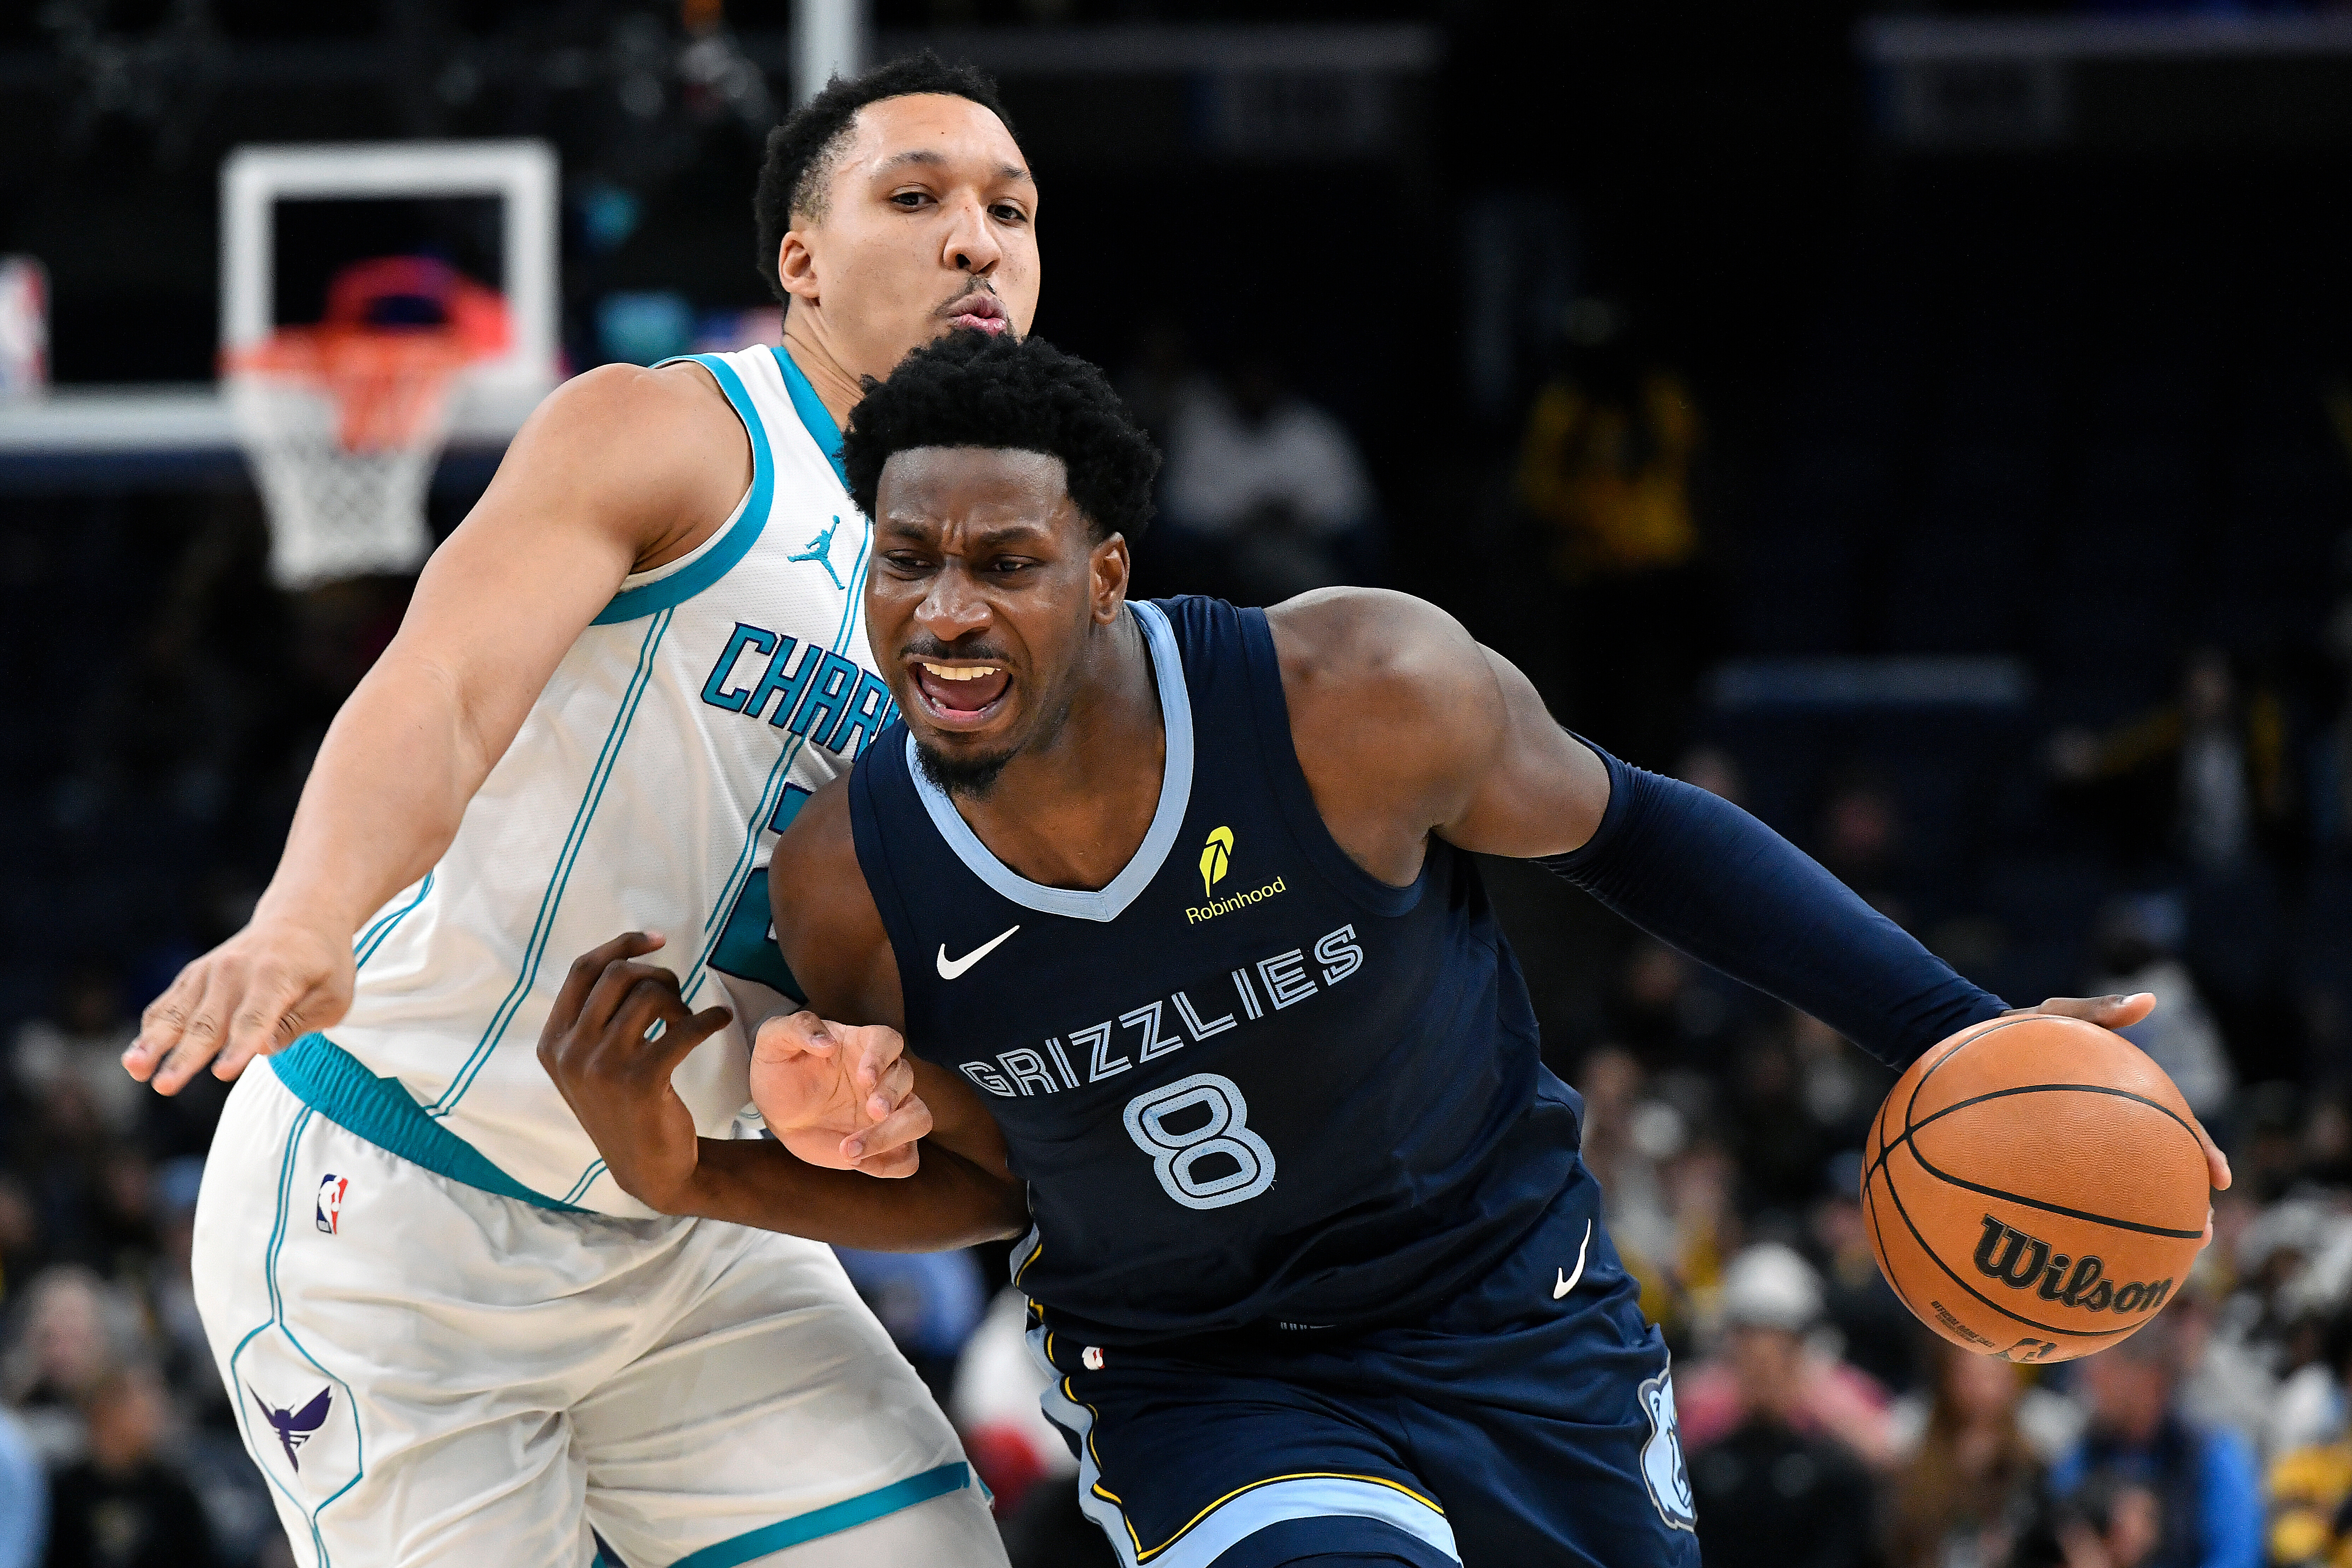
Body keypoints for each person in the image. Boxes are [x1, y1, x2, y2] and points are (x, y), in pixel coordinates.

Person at [540, 331, 2231, 1567]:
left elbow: (1638, 827)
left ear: (1108, 572)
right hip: (1201, 1370)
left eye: (1005, 560)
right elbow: (993, 1182)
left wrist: (1952, 1027)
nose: (945, 608)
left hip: (1505, 1304)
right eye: (905, 560)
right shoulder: (854, 876)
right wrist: (698, 1171)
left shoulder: (1353, 698)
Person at [117, 53, 1040, 1566]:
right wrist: (303, 916)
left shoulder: (1007, 591)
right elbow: (446, 689)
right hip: (400, 1211)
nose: (975, 241)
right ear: (801, 261)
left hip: (695, 1227)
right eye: (917, 196)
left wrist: (883, 1080)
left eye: (1011, 210)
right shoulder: (675, 436)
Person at [2050, 1316, 2261, 1568]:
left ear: (2151, 1379)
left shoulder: (2214, 1456)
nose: (2090, 1379)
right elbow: (2052, 1526)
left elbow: (2236, 1556)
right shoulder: (2082, 1455)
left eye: (2107, 1366)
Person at [1882, 1341, 2049, 1568]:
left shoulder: (2032, 1461)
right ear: (1949, 1379)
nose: (1984, 1391)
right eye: (1971, 1378)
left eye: (1992, 1378)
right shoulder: (1918, 1456)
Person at [41, 1363, 218, 1568]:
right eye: (145, 1405)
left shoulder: (175, 1494)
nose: (157, 1415)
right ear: (105, 1411)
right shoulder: (63, 1493)